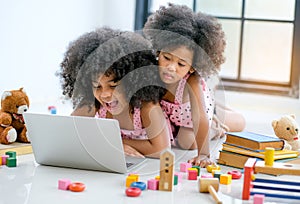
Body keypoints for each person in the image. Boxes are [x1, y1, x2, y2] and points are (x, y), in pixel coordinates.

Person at [56, 28, 172, 158]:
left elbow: (162, 150)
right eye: (97, 86)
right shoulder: (94, 103)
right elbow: (68, 130)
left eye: (113, 86)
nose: (105, 94)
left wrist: (114, 143)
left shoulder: (146, 107)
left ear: (132, 83)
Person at [143, 3, 227, 167]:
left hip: (195, 115)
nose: (171, 67)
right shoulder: (152, 71)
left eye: (181, 64)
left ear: (192, 67)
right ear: (158, 51)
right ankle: (217, 112)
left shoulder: (191, 80)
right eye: (167, 58)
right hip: (174, 119)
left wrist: (203, 154)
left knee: (187, 141)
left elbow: (199, 116)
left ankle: (215, 126)